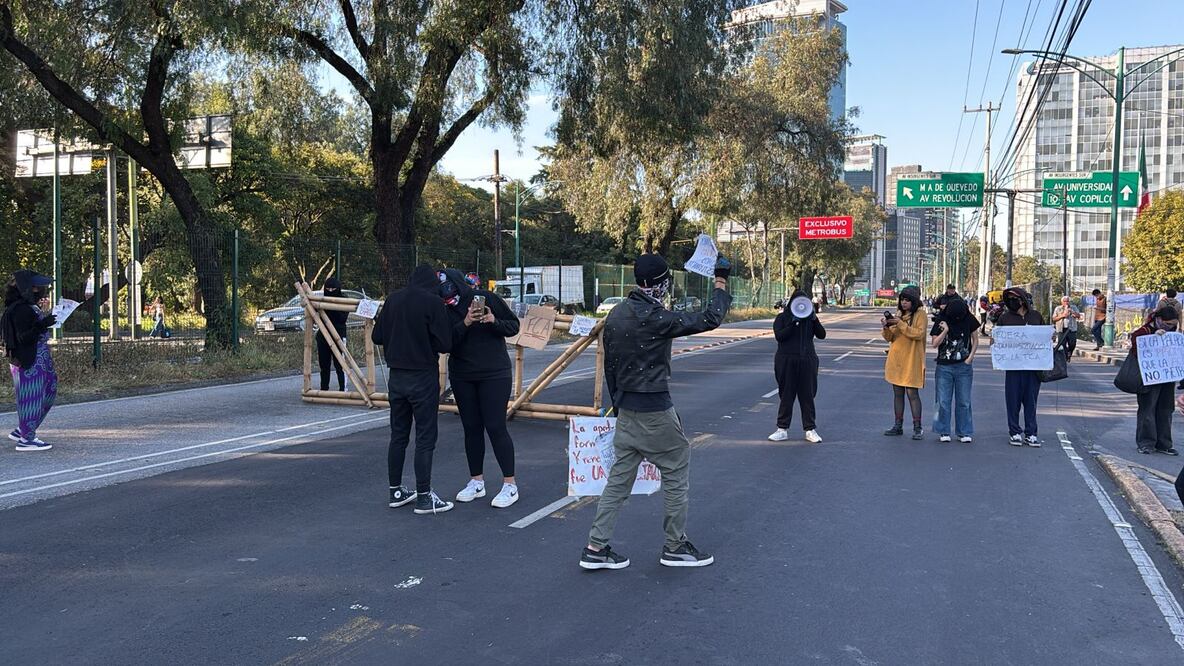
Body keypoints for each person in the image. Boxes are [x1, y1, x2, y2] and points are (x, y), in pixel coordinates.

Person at [580, 254, 732, 571]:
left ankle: (596, 546)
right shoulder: (656, 317)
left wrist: (618, 405)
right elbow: (710, 318)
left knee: (619, 481)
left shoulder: (616, 315)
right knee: (676, 468)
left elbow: (610, 367)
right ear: (661, 284)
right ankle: (675, 545)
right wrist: (720, 280)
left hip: (627, 411)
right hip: (653, 408)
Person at [372, 264, 454, 515]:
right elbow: (445, 343)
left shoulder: (393, 300)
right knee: (425, 437)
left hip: (396, 377)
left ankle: (395, 491)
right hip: (422, 376)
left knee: (398, 435)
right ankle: (423, 496)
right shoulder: (433, 303)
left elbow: (377, 337)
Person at [438, 268, 523, 509]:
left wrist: (492, 320)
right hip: (462, 375)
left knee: (495, 426)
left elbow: (513, 326)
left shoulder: (488, 298)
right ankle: (476, 481)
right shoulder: (444, 309)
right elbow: (446, 343)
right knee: (471, 428)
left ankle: (510, 484)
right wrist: (465, 323)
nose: (449, 298)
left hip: (494, 373)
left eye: (452, 292)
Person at [1, 270, 58, 451]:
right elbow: (23, 338)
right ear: (26, 288)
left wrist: (45, 320)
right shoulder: (19, 309)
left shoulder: (29, 306)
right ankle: (27, 439)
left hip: (40, 358)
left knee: (49, 390)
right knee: (30, 397)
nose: (40, 289)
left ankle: (23, 429)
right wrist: (42, 324)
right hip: (28, 359)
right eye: (36, 286)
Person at [768, 290, 826, 444]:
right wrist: (793, 322)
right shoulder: (782, 318)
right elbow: (780, 336)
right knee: (786, 395)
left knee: (807, 396)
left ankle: (810, 429)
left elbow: (822, 334)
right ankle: (782, 429)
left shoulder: (810, 319)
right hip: (786, 360)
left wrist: (814, 319)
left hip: (807, 360)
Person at [997, 287, 1045, 446]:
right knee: (1013, 400)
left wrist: (1049, 336)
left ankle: (1031, 433)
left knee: (1031, 401)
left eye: (1014, 298)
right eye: (1009, 298)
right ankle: (1015, 431)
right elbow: (997, 340)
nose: (1012, 301)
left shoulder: (1036, 316)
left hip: (1033, 367)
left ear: (1022, 299)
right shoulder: (1005, 318)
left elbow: (1045, 337)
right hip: (1013, 367)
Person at [1130, 306, 1179, 456]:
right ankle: (1146, 442)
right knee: (1148, 409)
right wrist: (1153, 338)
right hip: (1149, 377)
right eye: (1167, 323)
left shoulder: (1172, 333)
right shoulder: (1143, 332)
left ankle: (1164, 443)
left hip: (1167, 377)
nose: (1170, 327)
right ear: (1158, 320)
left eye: (1173, 324)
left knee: (1166, 409)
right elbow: (1137, 349)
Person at [930, 298, 979, 443]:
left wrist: (970, 357)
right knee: (943, 400)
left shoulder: (969, 318)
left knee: (964, 401)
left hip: (964, 366)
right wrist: (945, 330)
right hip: (944, 366)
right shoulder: (942, 319)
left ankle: (964, 432)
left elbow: (975, 339)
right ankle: (943, 430)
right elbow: (934, 344)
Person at [881, 286, 927, 440]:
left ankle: (917, 427)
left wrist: (900, 323)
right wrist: (886, 326)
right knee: (897, 393)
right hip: (896, 360)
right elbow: (890, 338)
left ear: (914, 301)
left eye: (907, 300)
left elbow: (918, 334)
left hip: (912, 360)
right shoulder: (899, 314)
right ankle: (898, 425)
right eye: (902, 300)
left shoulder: (920, 315)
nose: (904, 303)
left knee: (912, 394)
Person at [316, 277, 349, 392]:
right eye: (328, 289)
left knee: (340, 365)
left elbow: (342, 318)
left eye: (333, 289)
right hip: (323, 336)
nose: (330, 291)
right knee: (324, 365)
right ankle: (324, 389)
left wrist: (331, 308)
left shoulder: (344, 300)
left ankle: (343, 389)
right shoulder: (322, 300)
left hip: (338, 335)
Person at [1052, 295, 1083, 360]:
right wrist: (1062, 315)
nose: (1066, 302)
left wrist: (1072, 312)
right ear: (1062, 302)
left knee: (1072, 343)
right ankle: (1066, 357)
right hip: (1061, 329)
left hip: (1071, 328)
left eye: (1067, 301)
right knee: (1061, 344)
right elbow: (1054, 318)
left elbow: (1078, 316)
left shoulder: (1073, 307)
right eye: (1065, 301)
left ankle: (1070, 352)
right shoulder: (1058, 308)